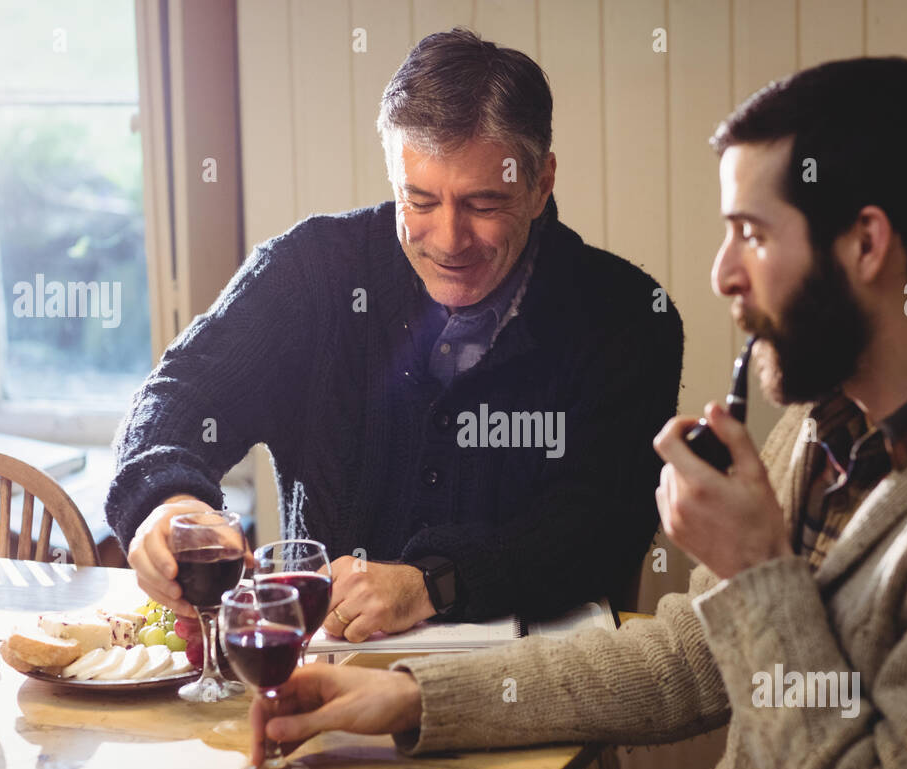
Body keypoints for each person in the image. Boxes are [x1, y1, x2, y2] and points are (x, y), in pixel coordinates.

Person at [249, 56, 907, 769]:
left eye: (750, 233)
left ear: (866, 246)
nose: (721, 274)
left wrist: (757, 570)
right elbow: (687, 658)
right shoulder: (831, 428)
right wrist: (413, 699)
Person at [105, 29, 683, 641]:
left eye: (483, 204)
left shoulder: (627, 316)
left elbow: (601, 526)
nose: (449, 239)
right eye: (421, 200)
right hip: (324, 675)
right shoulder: (311, 272)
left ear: (541, 183)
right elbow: (180, 395)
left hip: (536, 687)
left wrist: (433, 582)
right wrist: (168, 503)